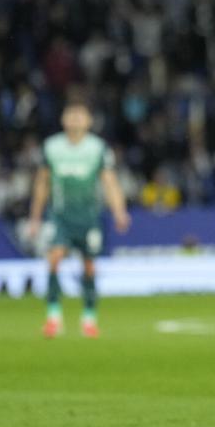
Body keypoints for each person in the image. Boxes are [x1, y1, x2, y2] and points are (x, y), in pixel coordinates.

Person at [27, 98, 131, 338]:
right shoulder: (52, 147)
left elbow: (109, 181)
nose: (75, 119)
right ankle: (53, 317)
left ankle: (89, 318)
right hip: (60, 215)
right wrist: (35, 217)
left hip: (88, 216)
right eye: (70, 114)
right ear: (63, 119)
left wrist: (119, 211)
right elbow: (42, 183)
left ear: (89, 121)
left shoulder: (97, 148)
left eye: (80, 115)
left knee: (89, 265)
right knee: (54, 258)